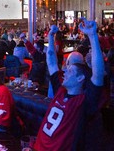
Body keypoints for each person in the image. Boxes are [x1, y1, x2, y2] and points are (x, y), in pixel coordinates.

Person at [34, 18, 104, 151]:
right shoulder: (59, 90)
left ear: (80, 78)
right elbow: (51, 61)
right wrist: (50, 35)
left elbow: (98, 74)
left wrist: (93, 36)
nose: (65, 70)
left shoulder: (84, 103)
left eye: (70, 70)